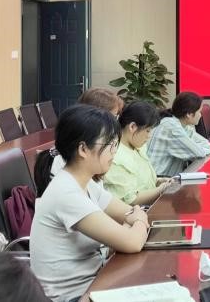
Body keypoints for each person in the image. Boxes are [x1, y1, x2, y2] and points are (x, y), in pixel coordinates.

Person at [31, 104, 150, 302]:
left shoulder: (86, 184)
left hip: (95, 282)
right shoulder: (66, 193)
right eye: (109, 145)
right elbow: (132, 241)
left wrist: (134, 221)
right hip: (73, 296)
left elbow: (127, 213)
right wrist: (138, 220)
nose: (114, 152)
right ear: (83, 149)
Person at [103, 101, 174, 205]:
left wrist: (159, 181)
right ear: (132, 127)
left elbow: (142, 181)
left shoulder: (138, 146)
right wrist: (161, 189)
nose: (149, 136)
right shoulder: (114, 155)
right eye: (148, 131)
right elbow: (130, 200)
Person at [49, 87, 125, 180]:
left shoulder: (92, 145)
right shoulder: (66, 160)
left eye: (116, 117)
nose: (115, 123)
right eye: (113, 117)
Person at [146, 92, 210, 176]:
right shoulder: (171, 127)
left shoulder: (182, 125)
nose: (201, 115)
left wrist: (195, 149)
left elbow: (206, 145)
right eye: (199, 112)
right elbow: (199, 153)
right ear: (189, 114)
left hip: (165, 178)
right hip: (157, 180)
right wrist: (195, 149)